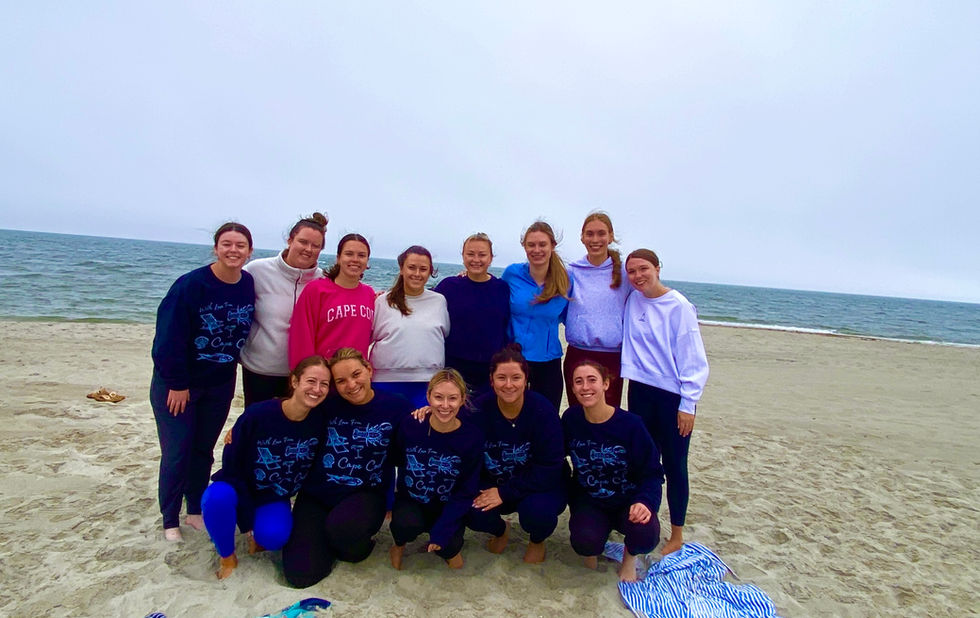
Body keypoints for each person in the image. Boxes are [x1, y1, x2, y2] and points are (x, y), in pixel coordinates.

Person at [150, 222, 256, 541]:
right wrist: (178, 383)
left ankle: (194, 507)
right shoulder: (191, 285)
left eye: (240, 245)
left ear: (249, 251)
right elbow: (166, 341)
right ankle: (170, 519)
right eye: (227, 244)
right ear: (215, 248)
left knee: (203, 450)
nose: (233, 250)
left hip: (220, 383)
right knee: (177, 452)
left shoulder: (247, 283)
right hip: (178, 385)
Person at [281, 348, 413, 588]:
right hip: (318, 493)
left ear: (369, 370)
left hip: (364, 493)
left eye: (356, 374)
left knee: (345, 537)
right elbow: (288, 410)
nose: (351, 385)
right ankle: (322, 541)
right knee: (300, 576)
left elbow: (421, 438)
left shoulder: (396, 407)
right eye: (341, 381)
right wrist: (240, 428)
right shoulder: (327, 404)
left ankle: (351, 543)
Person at [200, 355, 330, 579]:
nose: (317, 389)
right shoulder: (259, 414)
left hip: (274, 495)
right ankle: (227, 556)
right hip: (239, 486)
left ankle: (257, 533)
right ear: (295, 381)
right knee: (216, 499)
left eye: (324, 384)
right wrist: (247, 517)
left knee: (274, 537)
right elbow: (232, 462)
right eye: (311, 381)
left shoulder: (321, 420)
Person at [621, 248, 709, 555]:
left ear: (658, 268)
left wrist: (688, 404)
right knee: (645, 461)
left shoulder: (679, 306)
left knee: (674, 464)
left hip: (673, 397)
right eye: (631, 271)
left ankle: (677, 534)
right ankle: (646, 521)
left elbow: (695, 359)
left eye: (643, 269)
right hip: (640, 390)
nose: (638, 276)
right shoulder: (632, 299)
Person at [563, 360, 664, 582]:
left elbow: (653, 472)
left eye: (592, 380)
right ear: (572, 388)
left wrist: (645, 502)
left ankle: (629, 559)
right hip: (590, 501)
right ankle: (593, 547)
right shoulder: (571, 419)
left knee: (646, 535)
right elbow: (554, 456)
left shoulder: (631, 425)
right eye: (578, 382)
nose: (585, 387)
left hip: (627, 501)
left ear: (606, 384)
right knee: (585, 542)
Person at [464, 344, 565, 563]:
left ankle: (537, 541)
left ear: (526, 380)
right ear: (491, 380)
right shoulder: (478, 410)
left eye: (516, 378)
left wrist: (505, 492)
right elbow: (457, 437)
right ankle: (501, 530)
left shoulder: (543, 411)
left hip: (535, 487)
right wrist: (427, 410)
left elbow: (551, 468)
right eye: (501, 378)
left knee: (539, 513)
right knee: (472, 511)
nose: (508, 385)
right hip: (495, 482)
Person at [388, 369, 483, 570]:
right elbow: (393, 459)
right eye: (438, 397)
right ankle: (398, 545)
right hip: (413, 499)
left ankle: (445, 540)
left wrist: (443, 530)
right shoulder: (411, 425)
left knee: (449, 546)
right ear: (428, 396)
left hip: (447, 503)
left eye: (452, 398)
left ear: (462, 399)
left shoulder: (471, 437)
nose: (445, 405)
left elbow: (466, 490)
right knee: (404, 526)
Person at [240, 213, 327, 407]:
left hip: (305, 376)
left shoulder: (324, 281)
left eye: (315, 246)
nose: (308, 249)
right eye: (302, 242)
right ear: (290, 240)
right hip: (260, 371)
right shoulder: (257, 270)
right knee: (260, 430)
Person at [502, 221, 571, 411]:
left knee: (546, 417)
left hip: (548, 361)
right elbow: (491, 297)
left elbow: (571, 318)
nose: (537, 250)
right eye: (531, 245)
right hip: (513, 357)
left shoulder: (566, 280)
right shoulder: (512, 273)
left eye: (542, 244)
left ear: (552, 246)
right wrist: (466, 277)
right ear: (524, 247)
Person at [370, 245, 450, 408]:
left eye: (423, 269)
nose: (417, 274)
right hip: (386, 382)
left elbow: (444, 334)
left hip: (427, 383)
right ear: (401, 269)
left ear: (430, 272)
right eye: (411, 267)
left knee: (420, 431)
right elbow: (369, 337)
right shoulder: (382, 302)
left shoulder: (439, 301)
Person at [564, 212, 630, 407]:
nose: (595, 239)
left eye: (601, 234)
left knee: (608, 416)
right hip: (577, 354)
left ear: (610, 236)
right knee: (578, 414)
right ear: (582, 237)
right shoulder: (572, 272)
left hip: (612, 357)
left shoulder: (625, 273)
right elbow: (557, 305)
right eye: (589, 234)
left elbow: (648, 299)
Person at [434, 233, 510, 398]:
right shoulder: (449, 286)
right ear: (463, 256)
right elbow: (421, 301)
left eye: (482, 255)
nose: (476, 259)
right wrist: (386, 296)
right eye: (470, 254)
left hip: (491, 368)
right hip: (454, 366)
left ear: (490, 258)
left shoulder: (502, 288)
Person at [288, 233, 375, 369]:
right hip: (323, 377)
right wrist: (305, 374)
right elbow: (301, 337)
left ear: (367, 261)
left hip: (355, 379)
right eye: (349, 254)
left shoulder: (369, 294)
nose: (355, 259)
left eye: (361, 255)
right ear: (338, 258)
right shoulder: (316, 290)